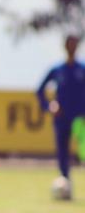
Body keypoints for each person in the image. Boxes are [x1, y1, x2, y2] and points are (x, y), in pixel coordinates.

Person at [36, 34, 85, 199]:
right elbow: (40, 90)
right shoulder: (57, 69)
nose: (72, 46)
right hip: (62, 118)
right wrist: (50, 106)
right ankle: (66, 187)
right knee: (63, 154)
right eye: (69, 43)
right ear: (65, 46)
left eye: (74, 43)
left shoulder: (82, 69)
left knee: (83, 152)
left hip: (80, 119)